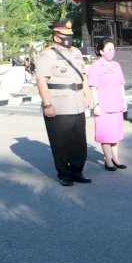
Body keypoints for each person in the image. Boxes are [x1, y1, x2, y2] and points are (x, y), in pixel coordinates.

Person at [35, 19, 92, 186]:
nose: (68, 38)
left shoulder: (76, 52)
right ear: (56, 36)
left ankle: (77, 171)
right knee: (61, 143)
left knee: (79, 142)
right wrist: (47, 105)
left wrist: (87, 97)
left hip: (77, 104)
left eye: (70, 35)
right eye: (64, 35)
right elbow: (41, 80)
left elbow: (84, 75)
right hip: (59, 105)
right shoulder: (48, 54)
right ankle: (64, 174)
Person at [88, 38, 127, 171]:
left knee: (115, 133)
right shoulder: (95, 67)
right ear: (101, 51)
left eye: (113, 49)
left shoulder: (116, 65)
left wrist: (124, 100)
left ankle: (116, 158)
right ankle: (108, 159)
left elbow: (121, 85)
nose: (112, 52)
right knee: (105, 133)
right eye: (108, 49)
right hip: (103, 105)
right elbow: (92, 87)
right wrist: (96, 105)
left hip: (116, 103)